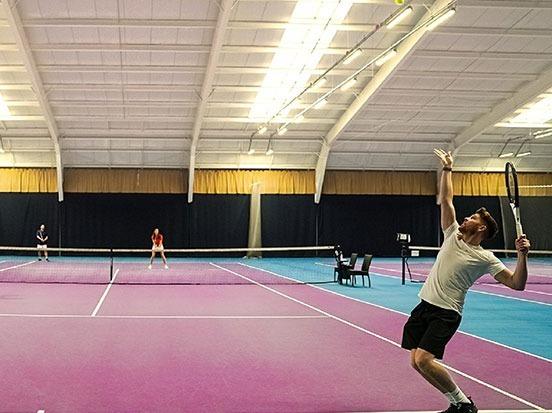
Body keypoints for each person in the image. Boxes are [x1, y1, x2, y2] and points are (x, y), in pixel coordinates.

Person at [401, 149, 530, 413]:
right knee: (415, 361)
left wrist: (522, 256)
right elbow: (447, 200)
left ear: (481, 228)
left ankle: (464, 404)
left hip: (446, 312)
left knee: (424, 360)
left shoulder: (486, 258)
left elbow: (517, 283)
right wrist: (448, 169)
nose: (466, 218)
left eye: (472, 218)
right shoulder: (452, 234)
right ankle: (456, 403)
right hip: (425, 305)